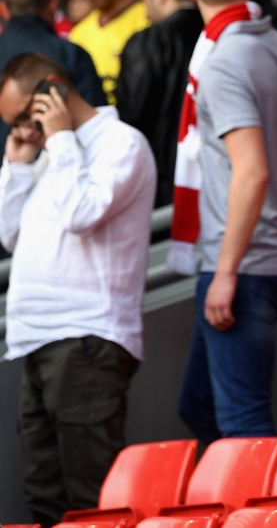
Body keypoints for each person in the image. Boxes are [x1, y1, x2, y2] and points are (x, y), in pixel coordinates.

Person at [0, 52, 156, 525]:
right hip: (38, 337)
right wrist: (18, 165)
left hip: (87, 337)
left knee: (91, 495)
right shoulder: (52, 154)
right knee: (44, 491)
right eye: (14, 125)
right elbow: (10, 235)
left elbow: (82, 214)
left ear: (53, 89)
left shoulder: (120, 143)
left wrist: (62, 138)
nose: (26, 131)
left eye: (27, 117)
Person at [176, 0, 277, 443]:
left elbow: (252, 171)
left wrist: (225, 273)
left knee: (243, 426)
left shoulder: (224, 62)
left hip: (244, 263)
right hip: (267, 256)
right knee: (200, 408)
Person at [117, 0, 206, 207]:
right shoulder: (218, 36)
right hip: (210, 180)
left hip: (157, 182)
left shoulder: (148, 43)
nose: (144, 11)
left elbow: (131, 116)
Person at [0, 0, 106, 150]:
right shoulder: (71, 55)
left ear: (3, 8)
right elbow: (95, 130)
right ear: (53, 3)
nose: (23, 132)